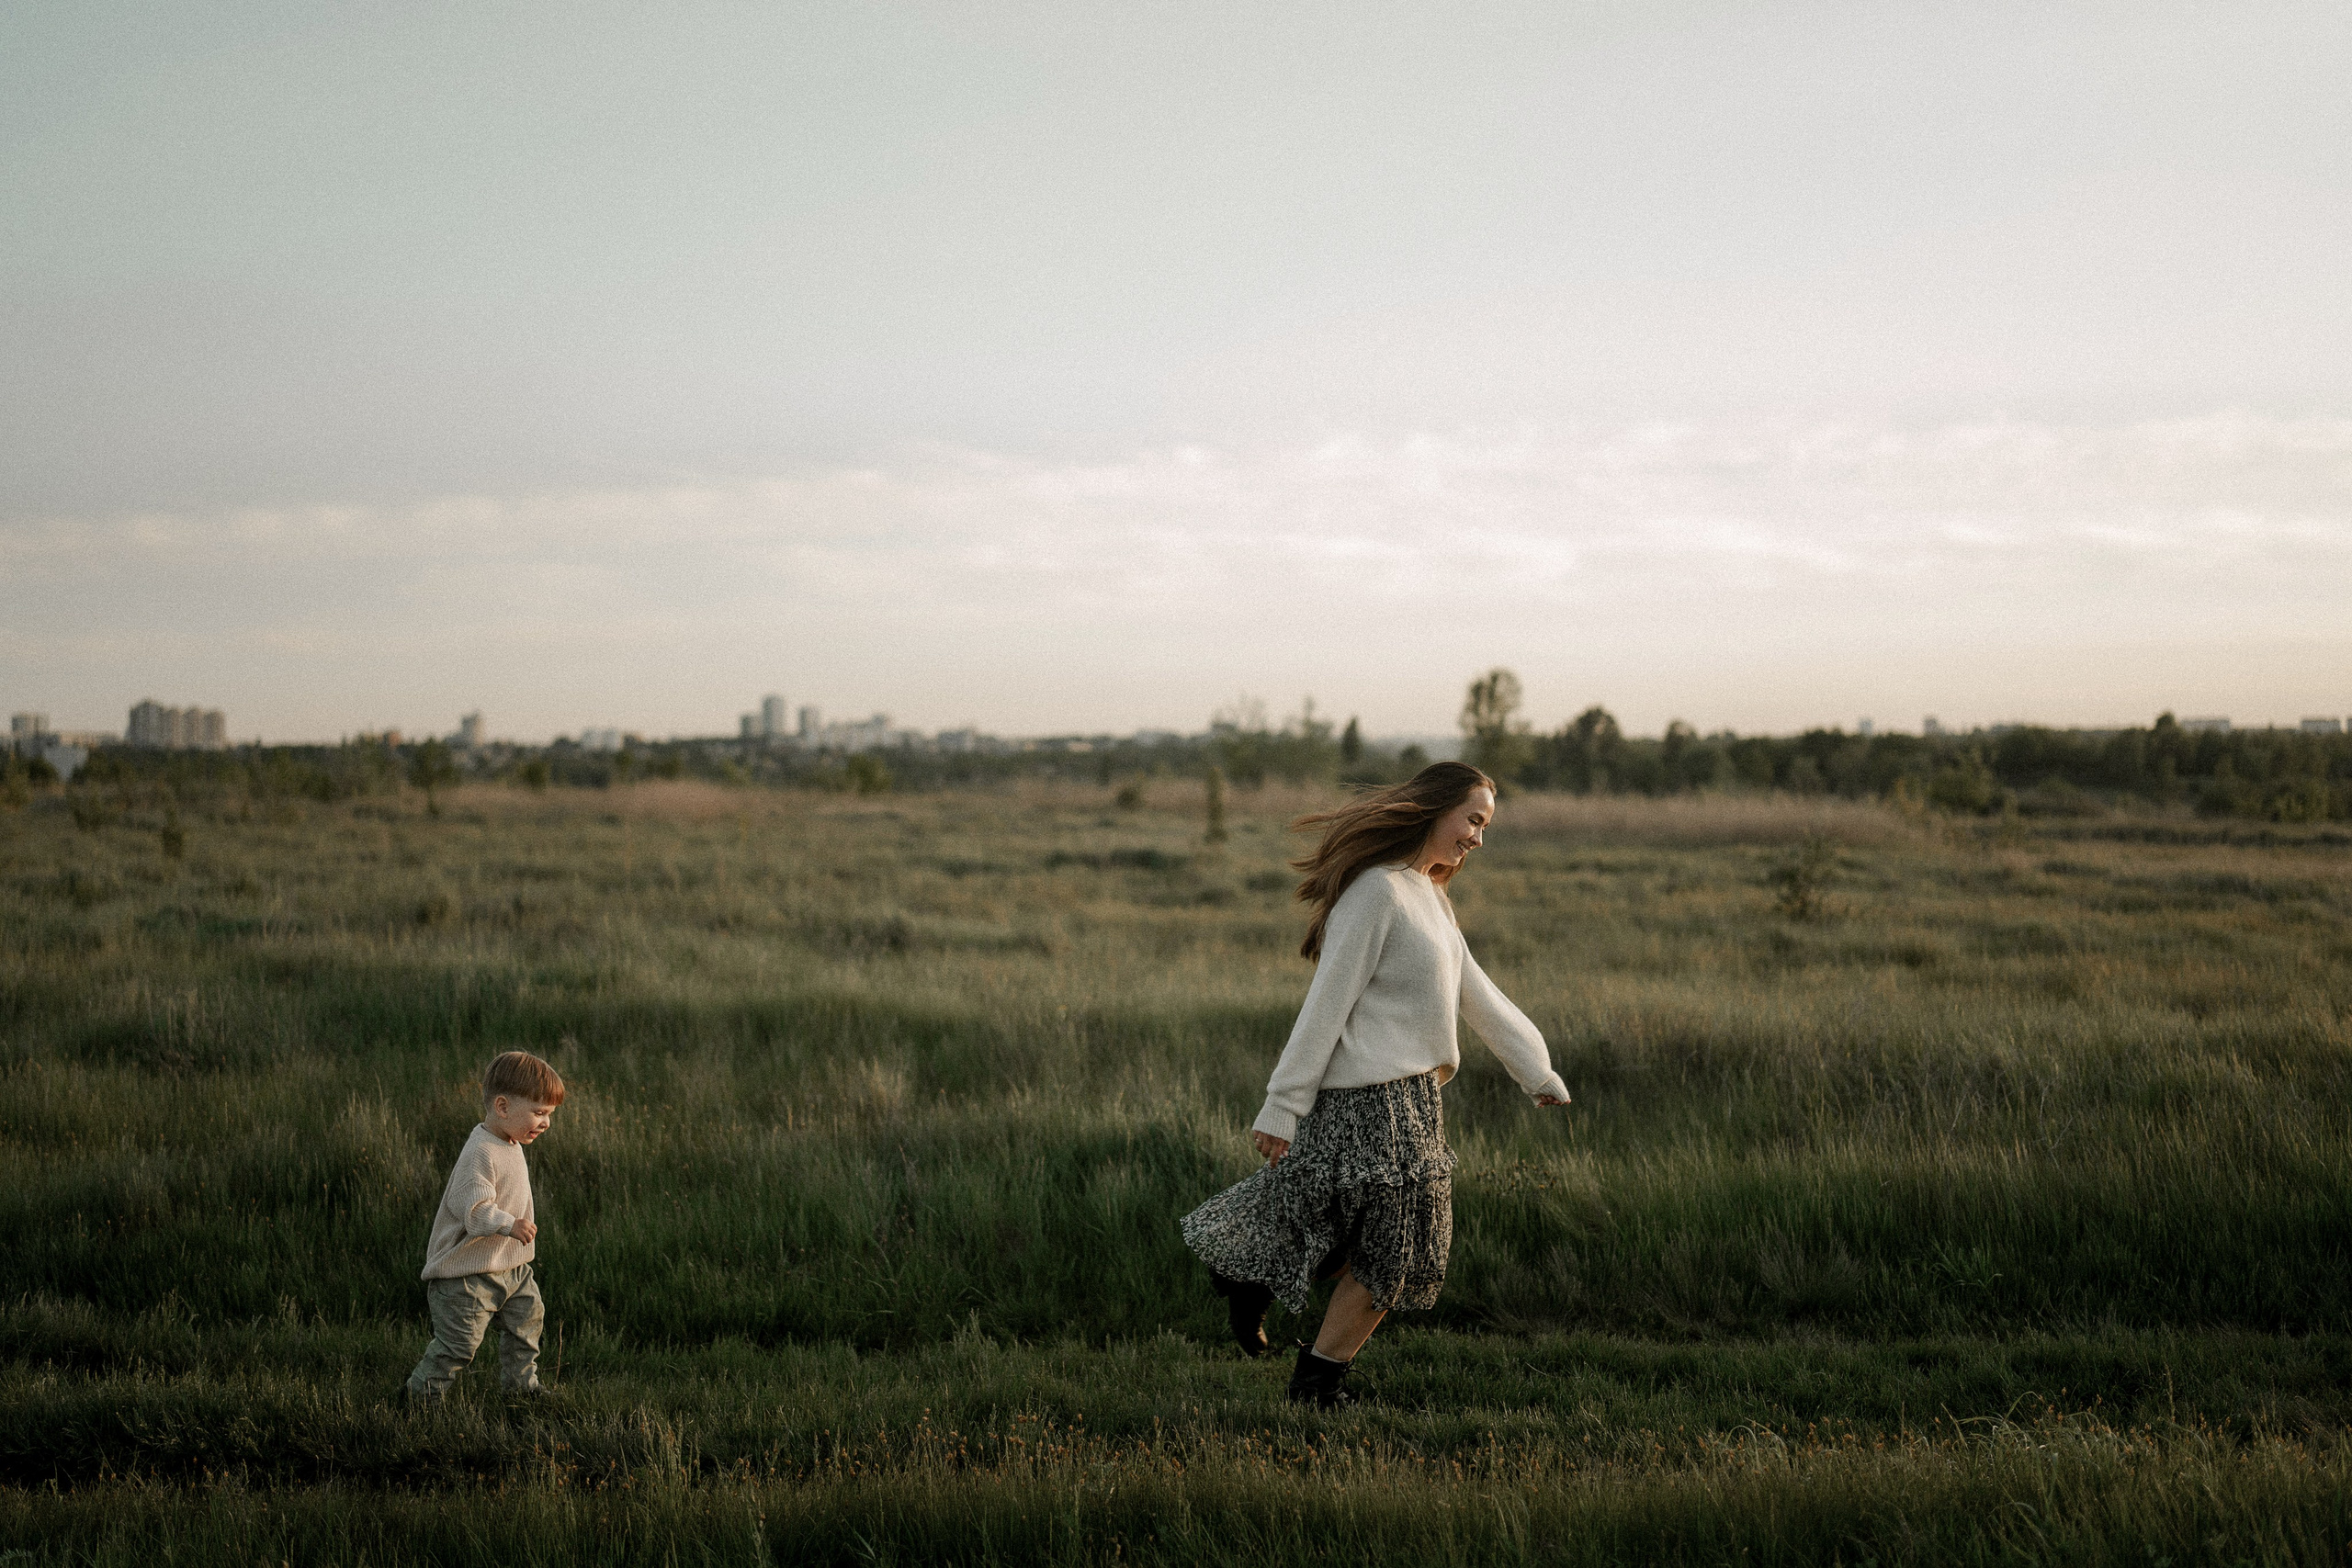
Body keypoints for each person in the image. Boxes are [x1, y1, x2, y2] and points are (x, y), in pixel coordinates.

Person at [1181, 761, 1569, 1407]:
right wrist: (1282, 1103)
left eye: (1485, 826)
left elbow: (1475, 991)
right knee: (1402, 1245)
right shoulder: (1376, 893)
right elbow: (1325, 1004)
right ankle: (1314, 1381)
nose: (1478, 837)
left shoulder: (1430, 896)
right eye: (1473, 820)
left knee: (1373, 1236)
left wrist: (1535, 1068)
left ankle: (1254, 1280)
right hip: (1367, 1099)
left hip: (1418, 1099)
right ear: (1433, 809)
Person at [405, 1050, 565, 1402]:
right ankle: (420, 1400)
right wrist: (510, 1224)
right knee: (458, 1345)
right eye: (539, 1113)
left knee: (527, 1326)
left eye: (549, 1115)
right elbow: (476, 1212)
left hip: (511, 1267)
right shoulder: (480, 1152)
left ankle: (522, 1389)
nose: (546, 1123)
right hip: (466, 1275)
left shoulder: (509, 1141)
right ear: (503, 1107)